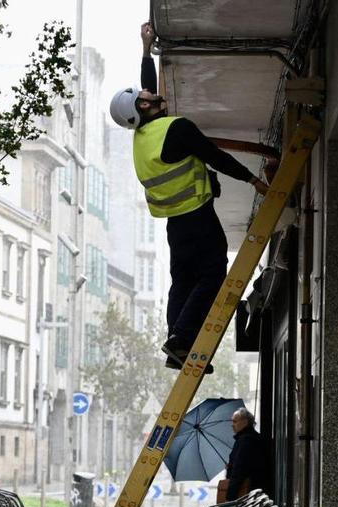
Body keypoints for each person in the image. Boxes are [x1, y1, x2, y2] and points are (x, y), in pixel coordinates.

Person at [109, 22, 269, 372]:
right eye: (144, 98)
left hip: (176, 223)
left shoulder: (143, 137)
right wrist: (253, 181)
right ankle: (182, 337)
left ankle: (175, 347)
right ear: (143, 111)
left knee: (182, 281)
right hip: (197, 216)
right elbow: (216, 157)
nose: (150, 94)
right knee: (212, 274)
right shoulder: (176, 129)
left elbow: (147, 86)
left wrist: (145, 49)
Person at [225, 408, 265, 501]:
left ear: (245, 422)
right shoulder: (250, 438)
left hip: (245, 495)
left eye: (235, 421)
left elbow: (239, 469)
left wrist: (230, 497)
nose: (232, 425)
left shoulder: (246, 441)